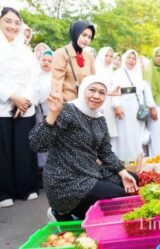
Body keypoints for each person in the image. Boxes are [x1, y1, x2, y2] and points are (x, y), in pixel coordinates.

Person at [29, 75, 138, 220]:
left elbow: (105, 152)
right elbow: (37, 144)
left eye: (101, 92)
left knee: (133, 179)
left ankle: (82, 214)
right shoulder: (68, 110)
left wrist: (123, 173)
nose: (96, 96)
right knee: (118, 194)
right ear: (82, 91)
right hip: (66, 179)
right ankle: (63, 212)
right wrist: (53, 114)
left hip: (89, 172)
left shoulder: (100, 119)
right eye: (92, 90)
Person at [0, 7, 39, 208]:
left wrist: (25, 100)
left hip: (24, 106)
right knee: (3, 150)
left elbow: (34, 76)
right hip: (2, 105)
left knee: (24, 148)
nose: (13, 26)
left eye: (17, 22)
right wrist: (12, 97)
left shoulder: (25, 49)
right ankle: (4, 191)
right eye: (8, 21)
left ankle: (26, 187)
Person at [111, 50, 155, 161]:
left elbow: (143, 92)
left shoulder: (138, 74)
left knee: (137, 133)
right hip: (124, 107)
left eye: (134, 58)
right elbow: (114, 91)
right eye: (129, 58)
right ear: (125, 59)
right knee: (124, 133)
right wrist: (116, 106)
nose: (131, 60)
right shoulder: (118, 73)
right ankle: (124, 160)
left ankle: (137, 159)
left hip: (136, 108)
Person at [51, 20, 96, 101]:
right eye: (84, 35)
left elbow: (93, 81)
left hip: (85, 104)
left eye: (89, 37)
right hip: (67, 104)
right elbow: (56, 84)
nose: (86, 39)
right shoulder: (61, 53)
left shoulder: (89, 57)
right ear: (76, 33)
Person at [35, 49, 54, 169]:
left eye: (50, 61)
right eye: (44, 60)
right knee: (40, 140)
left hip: (52, 112)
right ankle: (41, 169)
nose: (46, 62)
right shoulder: (35, 75)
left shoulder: (55, 77)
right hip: (37, 112)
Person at [94, 47, 118, 138]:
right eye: (106, 55)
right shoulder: (95, 70)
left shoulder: (111, 72)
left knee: (107, 135)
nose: (109, 58)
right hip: (97, 104)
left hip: (109, 105)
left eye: (111, 56)